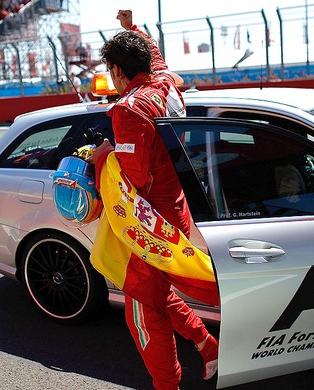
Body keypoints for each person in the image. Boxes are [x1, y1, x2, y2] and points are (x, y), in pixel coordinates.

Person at [88, 10, 219, 390]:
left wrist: (103, 157)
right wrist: (133, 29)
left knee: (143, 314)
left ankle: (168, 385)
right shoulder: (165, 83)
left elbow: (134, 178)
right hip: (175, 209)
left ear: (115, 70)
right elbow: (157, 57)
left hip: (151, 223)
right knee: (158, 294)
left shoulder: (128, 110)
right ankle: (207, 344)